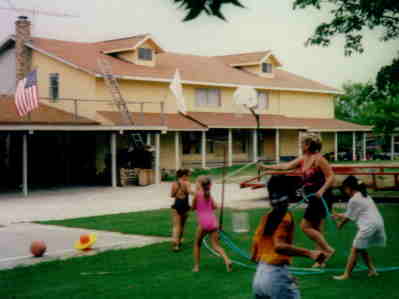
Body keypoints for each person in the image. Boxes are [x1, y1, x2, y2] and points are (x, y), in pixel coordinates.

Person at [258, 133, 335, 267]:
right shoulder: (303, 159)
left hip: (321, 196)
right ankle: (321, 259)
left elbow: (331, 176)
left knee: (305, 226)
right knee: (316, 229)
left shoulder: (319, 159)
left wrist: (321, 191)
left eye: (302, 143)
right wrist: (267, 167)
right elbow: (286, 166)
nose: (300, 145)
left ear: (308, 145)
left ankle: (328, 250)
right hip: (313, 197)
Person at [252, 175, 326, 299]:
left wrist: (285, 274)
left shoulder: (267, 217)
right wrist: (309, 253)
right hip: (275, 277)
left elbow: (256, 252)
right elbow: (279, 246)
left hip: (259, 278)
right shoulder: (284, 217)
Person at [332, 175, 386, 280]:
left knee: (355, 249)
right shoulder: (364, 195)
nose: (345, 191)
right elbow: (350, 214)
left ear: (349, 188)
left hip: (369, 225)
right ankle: (372, 270)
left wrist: (340, 223)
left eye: (345, 188)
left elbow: (348, 216)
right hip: (377, 223)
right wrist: (338, 217)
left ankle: (346, 274)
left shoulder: (354, 200)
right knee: (361, 247)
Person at [192, 176, 232, 272]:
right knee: (215, 245)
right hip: (213, 222)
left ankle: (196, 267)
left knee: (197, 244)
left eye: (196, 182)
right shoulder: (208, 195)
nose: (195, 184)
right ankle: (227, 260)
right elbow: (215, 206)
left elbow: (193, 207)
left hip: (204, 223)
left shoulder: (197, 195)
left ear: (200, 184)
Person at [170, 169, 194, 251]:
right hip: (185, 205)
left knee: (176, 226)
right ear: (183, 176)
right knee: (182, 226)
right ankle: (179, 242)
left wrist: (178, 193)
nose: (188, 177)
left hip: (177, 204)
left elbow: (172, 195)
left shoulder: (174, 183)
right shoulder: (187, 183)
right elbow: (190, 192)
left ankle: (175, 244)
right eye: (188, 175)